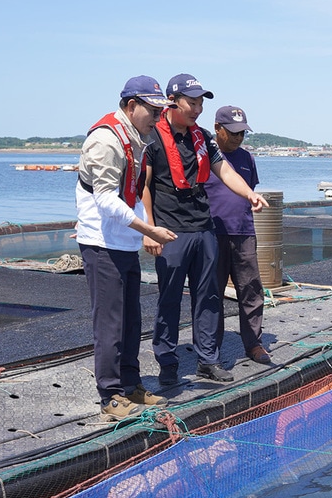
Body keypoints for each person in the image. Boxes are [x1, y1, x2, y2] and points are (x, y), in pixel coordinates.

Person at [142, 74, 268, 386]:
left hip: (204, 228)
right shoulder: (153, 139)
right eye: (192, 102)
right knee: (169, 298)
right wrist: (148, 228)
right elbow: (143, 184)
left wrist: (249, 193)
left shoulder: (203, 138)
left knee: (209, 296)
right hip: (171, 230)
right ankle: (167, 362)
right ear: (173, 102)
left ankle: (208, 359)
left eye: (200, 103)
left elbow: (224, 169)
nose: (197, 108)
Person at [76, 76, 179, 421]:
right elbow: (106, 200)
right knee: (109, 322)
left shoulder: (138, 138)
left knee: (131, 320)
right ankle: (109, 395)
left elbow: (131, 194)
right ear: (132, 105)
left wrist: (142, 233)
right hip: (101, 242)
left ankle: (131, 383)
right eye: (152, 110)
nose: (157, 117)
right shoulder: (106, 141)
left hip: (123, 241)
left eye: (160, 111)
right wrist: (148, 228)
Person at [205, 105, 271, 366]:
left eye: (242, 132)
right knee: (212, 292)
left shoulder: (247, 158)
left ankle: (254, 343)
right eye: (232, 133)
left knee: (251, 289)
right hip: (213, 234)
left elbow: (249, 190)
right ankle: (211, 347)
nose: (238, 138)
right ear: (217, 129)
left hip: (243, 232)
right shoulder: (206, 157)